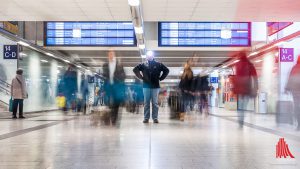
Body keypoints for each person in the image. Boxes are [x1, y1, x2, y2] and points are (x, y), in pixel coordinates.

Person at [133, 51, 169, 123]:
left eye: (151, 55)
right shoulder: (143, 64)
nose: (149, 56)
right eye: (148, 55)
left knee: (155, 103)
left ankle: (155, 118)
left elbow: (166, 70)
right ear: (146, 56)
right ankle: (146, 118)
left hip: (155, 86)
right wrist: (141, 77)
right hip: (146, 86)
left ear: (153, 56)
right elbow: (135, 69)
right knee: (146, 103)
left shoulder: (158, 64)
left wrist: (161, 78)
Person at [232, 51, 258, 127]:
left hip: (239, 90)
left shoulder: (237, 65)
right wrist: (255, 88)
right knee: (244, 106)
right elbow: (255, 77)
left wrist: (234, 89)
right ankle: (241, 120)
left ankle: (240, 121)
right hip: (247, 89)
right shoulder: (250, 65)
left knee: (240, 106)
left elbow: (236, 78)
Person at [102, 50, 126, 125]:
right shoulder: (105, 65)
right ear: (108, 55)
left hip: (117, 86)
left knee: (116, 103)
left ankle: (114, 118)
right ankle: (110, 116)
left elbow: (124, 75)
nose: (111, 56)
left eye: (112, 54)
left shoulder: (119, 65)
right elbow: (104, 76)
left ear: (114, 55)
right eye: (109, 54)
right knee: (108, 103)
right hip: (108, 86)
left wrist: (119, 79)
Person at [286, 55, 300, 130]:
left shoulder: (294, 68)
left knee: (297, 107)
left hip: (295, 92)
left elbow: (290, 79)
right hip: (296, 92)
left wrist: (287, 88)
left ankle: (299, 124)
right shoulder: (294, 68)